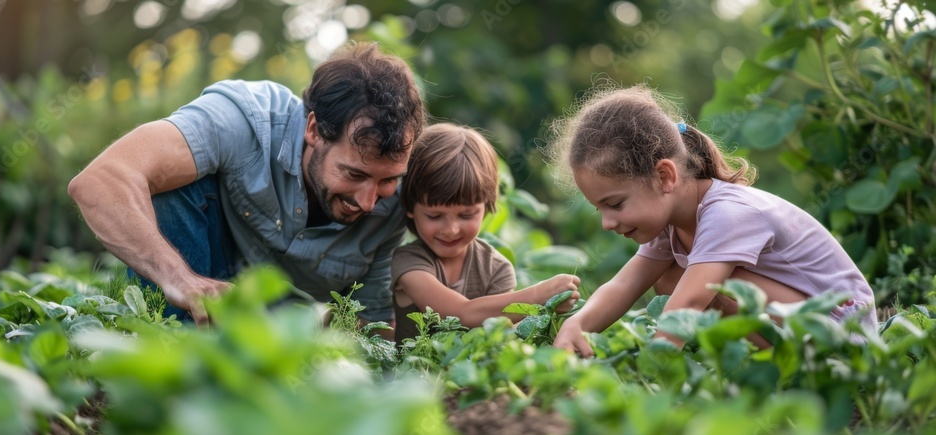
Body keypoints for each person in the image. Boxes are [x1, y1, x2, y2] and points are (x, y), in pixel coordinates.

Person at [68, 42, 426, 325]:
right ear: (314, 129)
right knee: (170, 180)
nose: (368, 202)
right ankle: (177, 356)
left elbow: (372, 316)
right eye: (354, 174)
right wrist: (178, 278)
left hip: (278, 332)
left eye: (388, 180)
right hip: (196, 284)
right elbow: (101, 181)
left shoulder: (396, 201)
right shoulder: (244, 120)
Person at [548, 85, 877, 357]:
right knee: (669, 278)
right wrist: (577, 326)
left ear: (665, 176)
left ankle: (790, 368)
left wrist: (657, 367)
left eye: (615, 204)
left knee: (708, 285)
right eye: (599, 210)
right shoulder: (670, 221)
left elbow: (689, 302)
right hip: (800, 318)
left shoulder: (727, 214)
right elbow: (623, 285)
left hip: (844, 329)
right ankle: (763, 362)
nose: (607, 223)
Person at [391, 123, 581, 344]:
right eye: (435, 216)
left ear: (487, 206)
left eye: (467, 215)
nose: (451, 229)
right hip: (416, 376)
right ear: (410, 208)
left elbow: (499, 332)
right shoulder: (408, 262)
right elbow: (461, 314)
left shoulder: (495, 268)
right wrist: (539, 296)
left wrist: (550, 311)